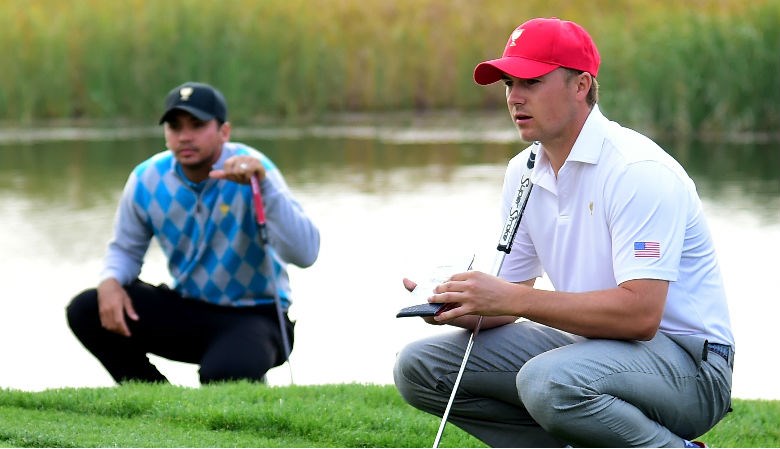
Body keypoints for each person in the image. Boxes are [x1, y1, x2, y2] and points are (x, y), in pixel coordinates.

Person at [393, 17, 734, 448]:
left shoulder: (637, 171)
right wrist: (457, 300)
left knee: (546, 381)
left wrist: (512, 298)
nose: (514, 97)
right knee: (419, 366)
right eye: (508, 84)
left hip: (690, 367)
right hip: (589, 348)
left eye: (531, 81)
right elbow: (509, 300)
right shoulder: (524, 171)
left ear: (581, 86)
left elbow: (641, 316)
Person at [67, 81, 320, 385]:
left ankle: (235, 371)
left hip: (258, 315)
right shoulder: (147, 178)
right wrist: (109, 281)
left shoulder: (255, 171)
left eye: (197, 125)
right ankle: (157, 401)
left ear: (224, 132)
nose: (185, 136)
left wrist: (263, 188)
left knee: (225, 374)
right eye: (175, 127)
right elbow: (125, 250)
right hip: (189, 309)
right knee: (87, 309)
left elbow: (306, 254)